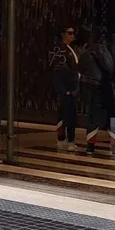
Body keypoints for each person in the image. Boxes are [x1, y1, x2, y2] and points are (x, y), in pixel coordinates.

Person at [78, 28, 115, 157]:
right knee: (112, 116)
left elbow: (80, 69)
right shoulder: (109, 51)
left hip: (91, 88)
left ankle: (90, 147)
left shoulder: (86, 53)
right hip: (106, 88)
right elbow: (111, 68)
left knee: (92, 117)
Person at [49, 24, 80, 152]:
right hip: (66, 88)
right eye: (69, 33)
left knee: (70, 114)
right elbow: (58, 71)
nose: (72, 35)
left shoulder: (71, 49)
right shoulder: (59, 49)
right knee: (65, 114)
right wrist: (64, 89)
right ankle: (64, 139)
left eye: (73, 33)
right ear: (63, 34)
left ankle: (68, 139)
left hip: (72, 87)